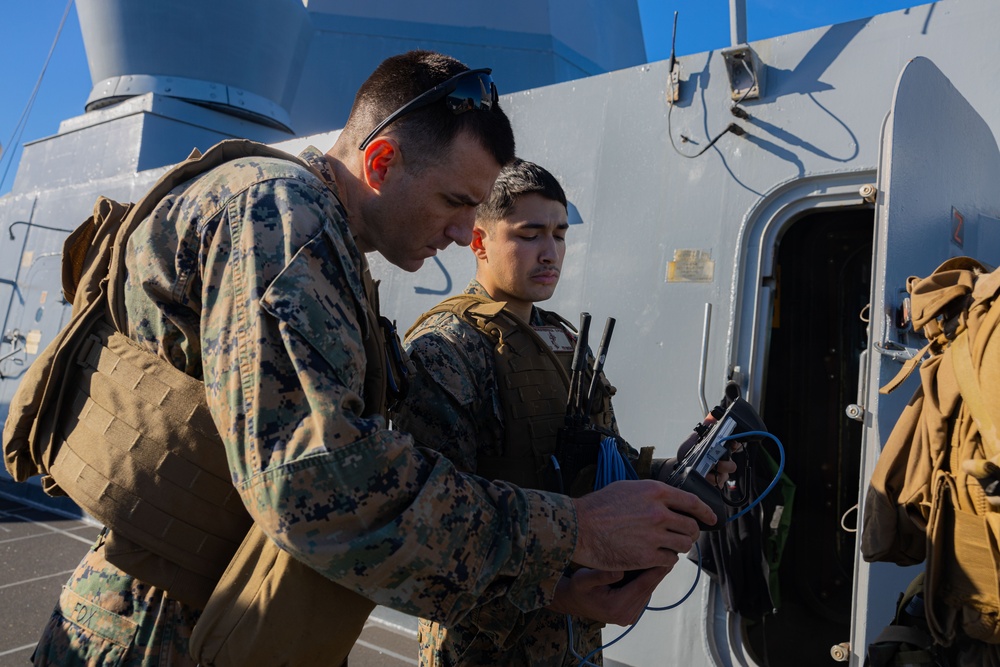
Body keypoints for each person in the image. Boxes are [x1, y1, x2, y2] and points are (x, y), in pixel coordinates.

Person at [19, 50, 717, 665]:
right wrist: (578, 529)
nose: (459, 232)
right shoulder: (283, 218)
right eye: (454, 202)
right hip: (162, 630)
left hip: (215, 617)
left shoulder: (308, 229)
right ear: (382, 161)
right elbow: (316, 485)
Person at [393, 158, 737, 666]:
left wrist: (671, 471)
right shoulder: (446, 349)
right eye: (529, 234)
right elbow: (429, 529)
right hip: (485, 645)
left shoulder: (564, 342)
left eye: (559, 233)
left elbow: (599, 458)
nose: (550, 252)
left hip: (574, 640)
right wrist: (558, 592)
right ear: (480, 241)